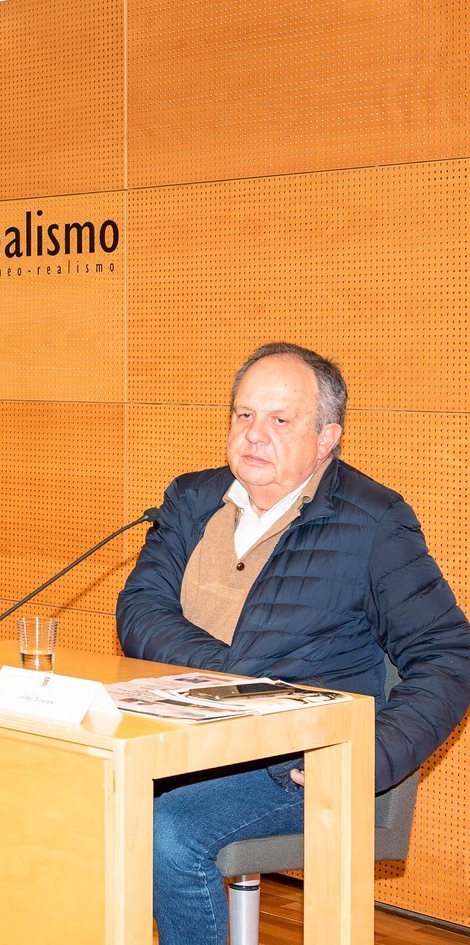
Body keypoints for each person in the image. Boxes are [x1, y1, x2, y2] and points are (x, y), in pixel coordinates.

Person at [116, 343, 470, 945]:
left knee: (165, 831)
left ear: (327, 436)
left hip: (295, 767)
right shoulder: (191, 499)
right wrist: (230, 683)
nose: (254, 435)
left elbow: (448, 655)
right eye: (243, 415)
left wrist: (363, 757)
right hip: (176, 741)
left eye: (280, 420)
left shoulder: (373, 521)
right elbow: (140, 609)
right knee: (64, 788)